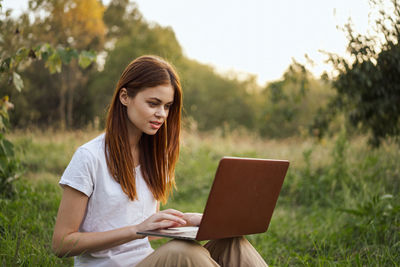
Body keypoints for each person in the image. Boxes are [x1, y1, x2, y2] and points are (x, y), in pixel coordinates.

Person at [52, 55, 268, 267]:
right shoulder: (89, 157)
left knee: (233, 243)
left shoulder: (155, 157)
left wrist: (187, 220)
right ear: (125, 97)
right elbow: (62, 243)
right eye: (153, 103)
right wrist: (135, 230)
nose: (161, 114)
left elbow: (147, 229)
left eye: (167, 106)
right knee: (181, 251)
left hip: (146, 261)